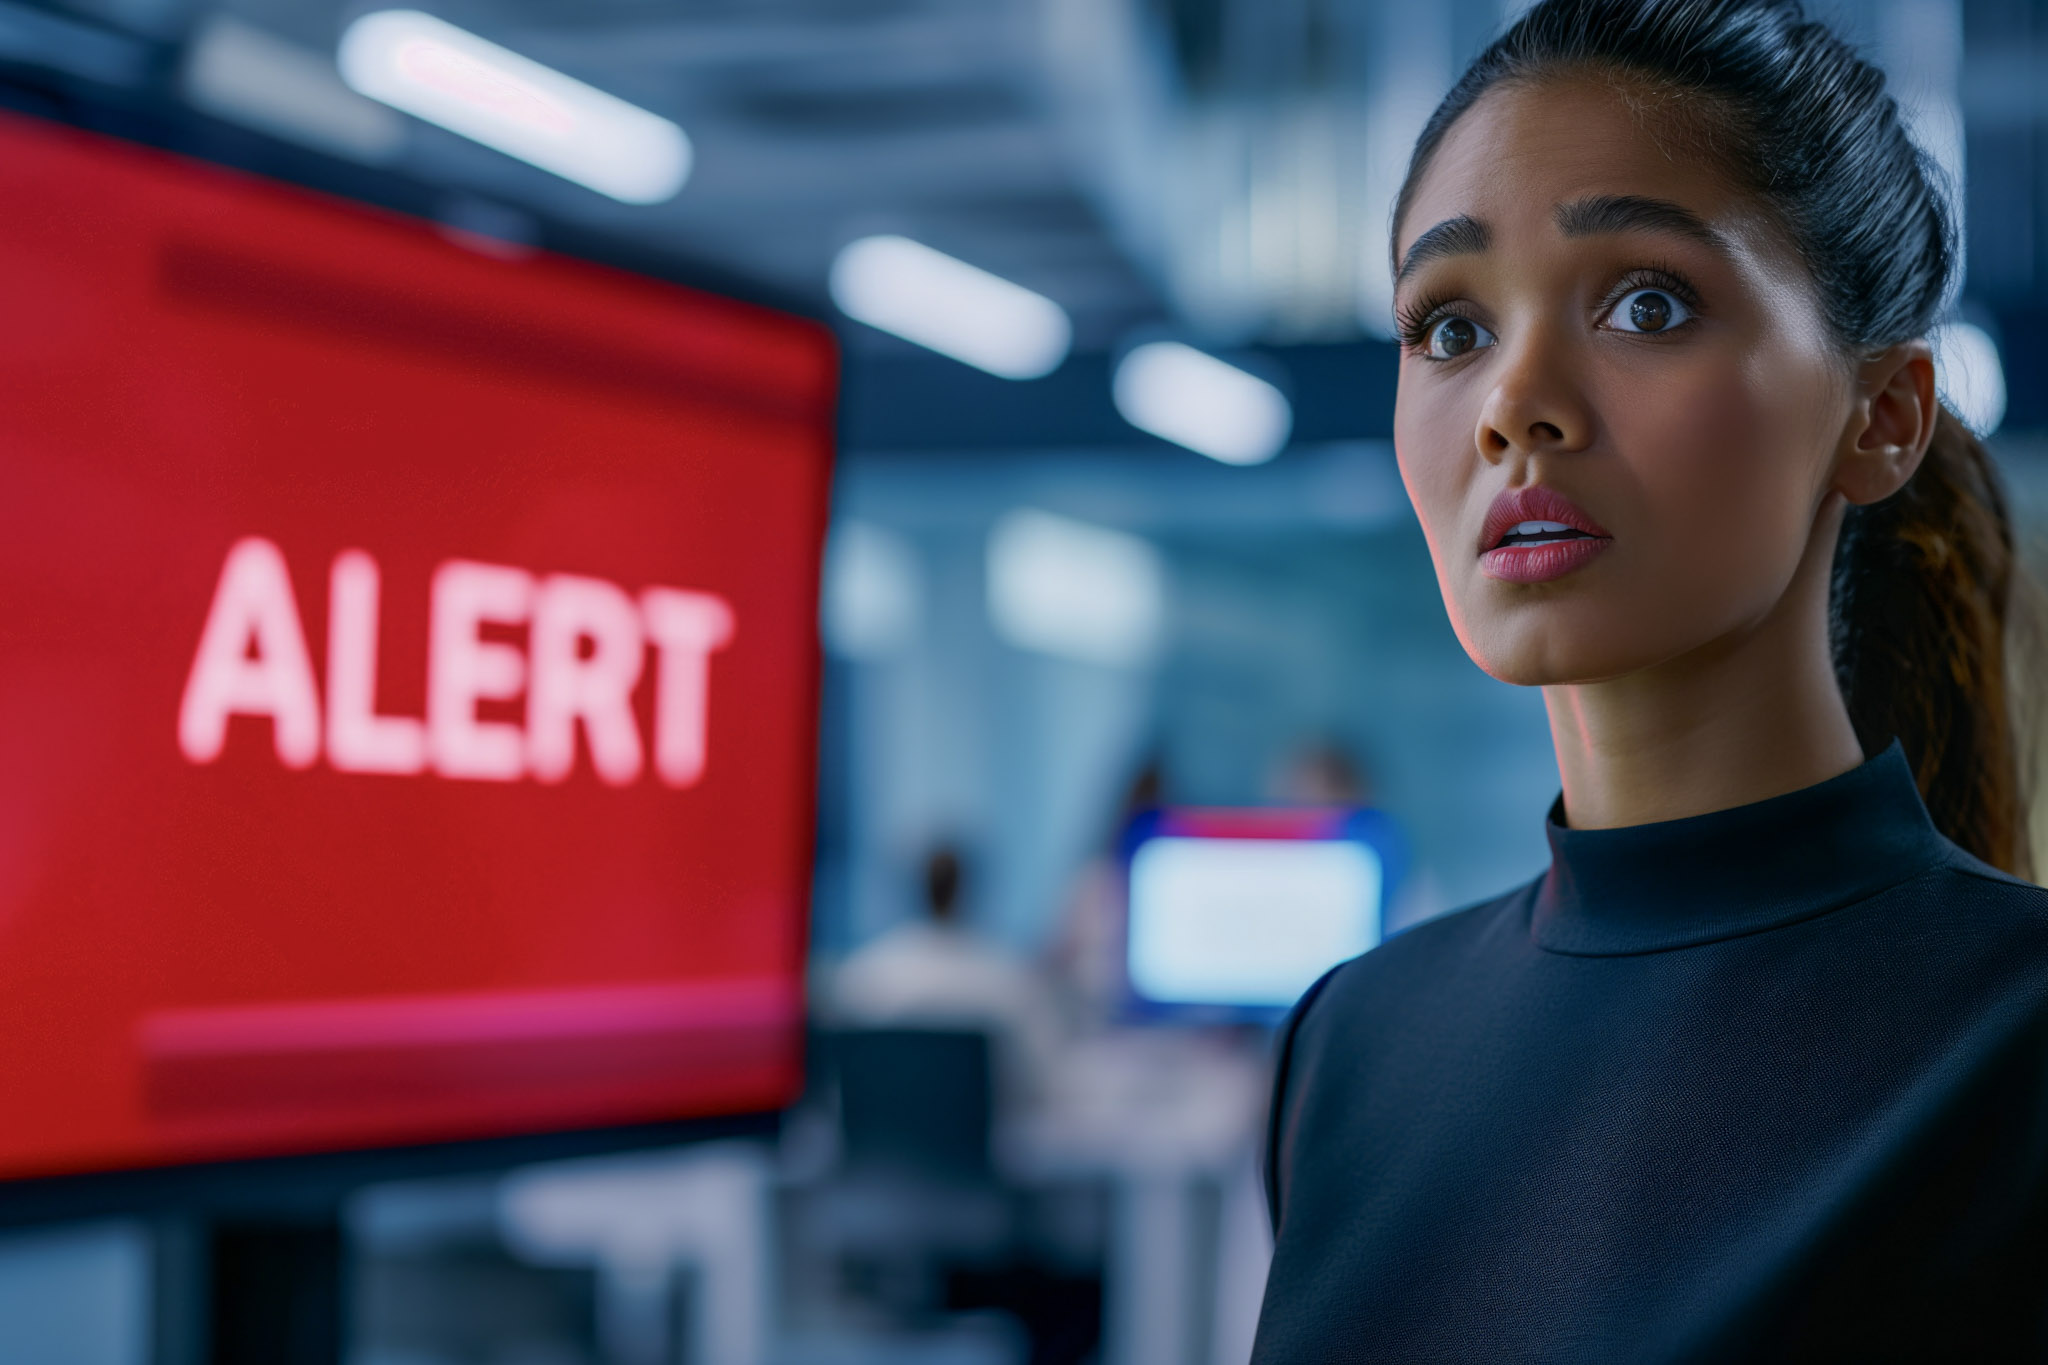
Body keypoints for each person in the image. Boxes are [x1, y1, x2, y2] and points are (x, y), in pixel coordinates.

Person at [1253, 2, 2048, 1359]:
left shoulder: (2015, 1044)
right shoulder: (1355, 1044)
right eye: (1448, 327)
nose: (1515, 401)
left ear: (1885, 415)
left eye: (1646, 302)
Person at [828, 844, 1060, 1113]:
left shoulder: (862, 978)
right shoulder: (1007, 982)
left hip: (880, 1151)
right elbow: (1040, 1080)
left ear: (915, 888)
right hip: (974, 1152)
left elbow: (841, 1083)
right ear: (968, 891)